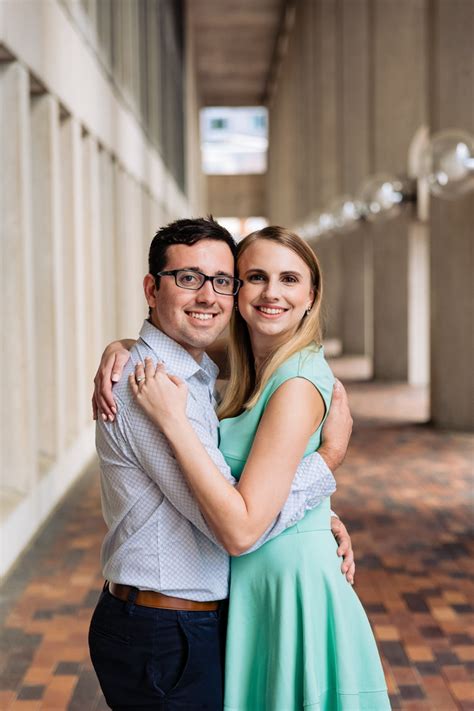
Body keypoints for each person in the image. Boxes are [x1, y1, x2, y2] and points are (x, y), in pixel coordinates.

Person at [89, 217, 355, 711]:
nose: (208, 295)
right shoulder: (151, 387)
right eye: (188, 278)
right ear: (152, 288)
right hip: (166, 629)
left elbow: (243, 491)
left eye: (221, 281)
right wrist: (325, 463)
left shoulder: (199, 375)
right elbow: (235, 529)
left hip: (200, 620)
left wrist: (320, 516)